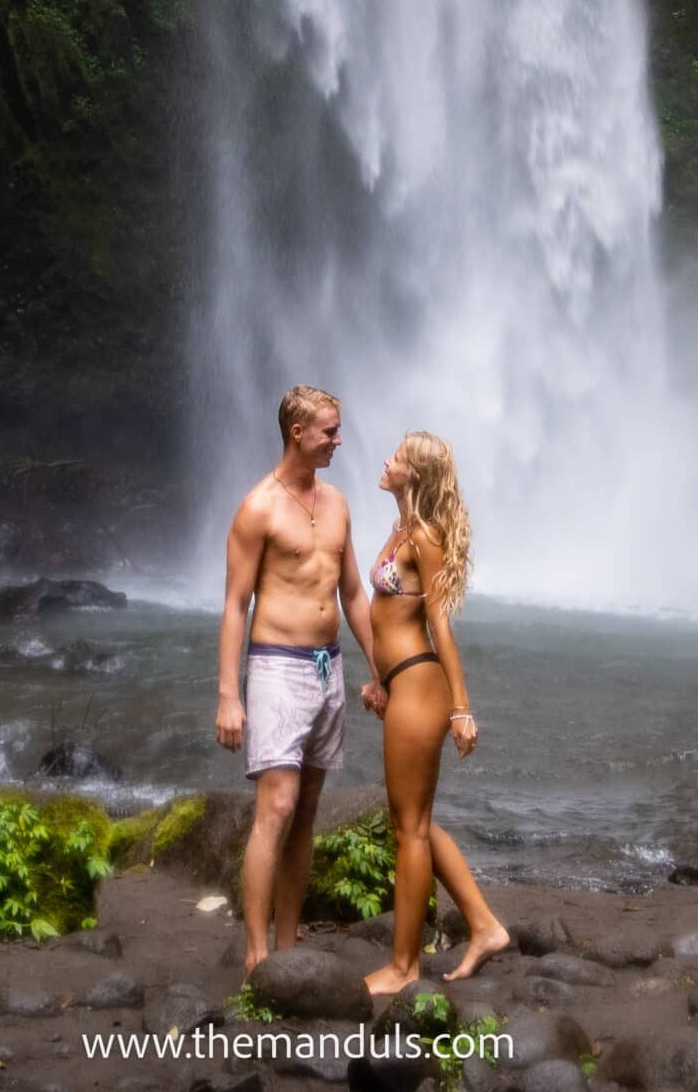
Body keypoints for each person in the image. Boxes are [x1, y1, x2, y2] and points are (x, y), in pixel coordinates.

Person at [216, 383, 388, 973]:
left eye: (338, 429)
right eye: (330, 431)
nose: (340, 440)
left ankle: (288, 950)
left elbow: (354, 594)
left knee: (308, 809)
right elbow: (236, 604)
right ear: (297, 432)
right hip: (276, 667)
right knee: (277, 806)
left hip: (327, 666)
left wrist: (379, 667)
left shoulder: (337, 503)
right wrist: (227, 696)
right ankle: (255, 955)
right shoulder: (258, 507)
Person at [361, 429, 509, 997]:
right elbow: (384, 615)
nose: (386, 460)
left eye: (396, 457)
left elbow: (440, 628)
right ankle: (484, 926)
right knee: (414, 822)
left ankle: (403, 968)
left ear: (414, 475)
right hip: (400, 685)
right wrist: (378, 679)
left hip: (422, 687)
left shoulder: (423, 537)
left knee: (410, 830)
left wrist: (461, 709)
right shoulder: (399, 528)